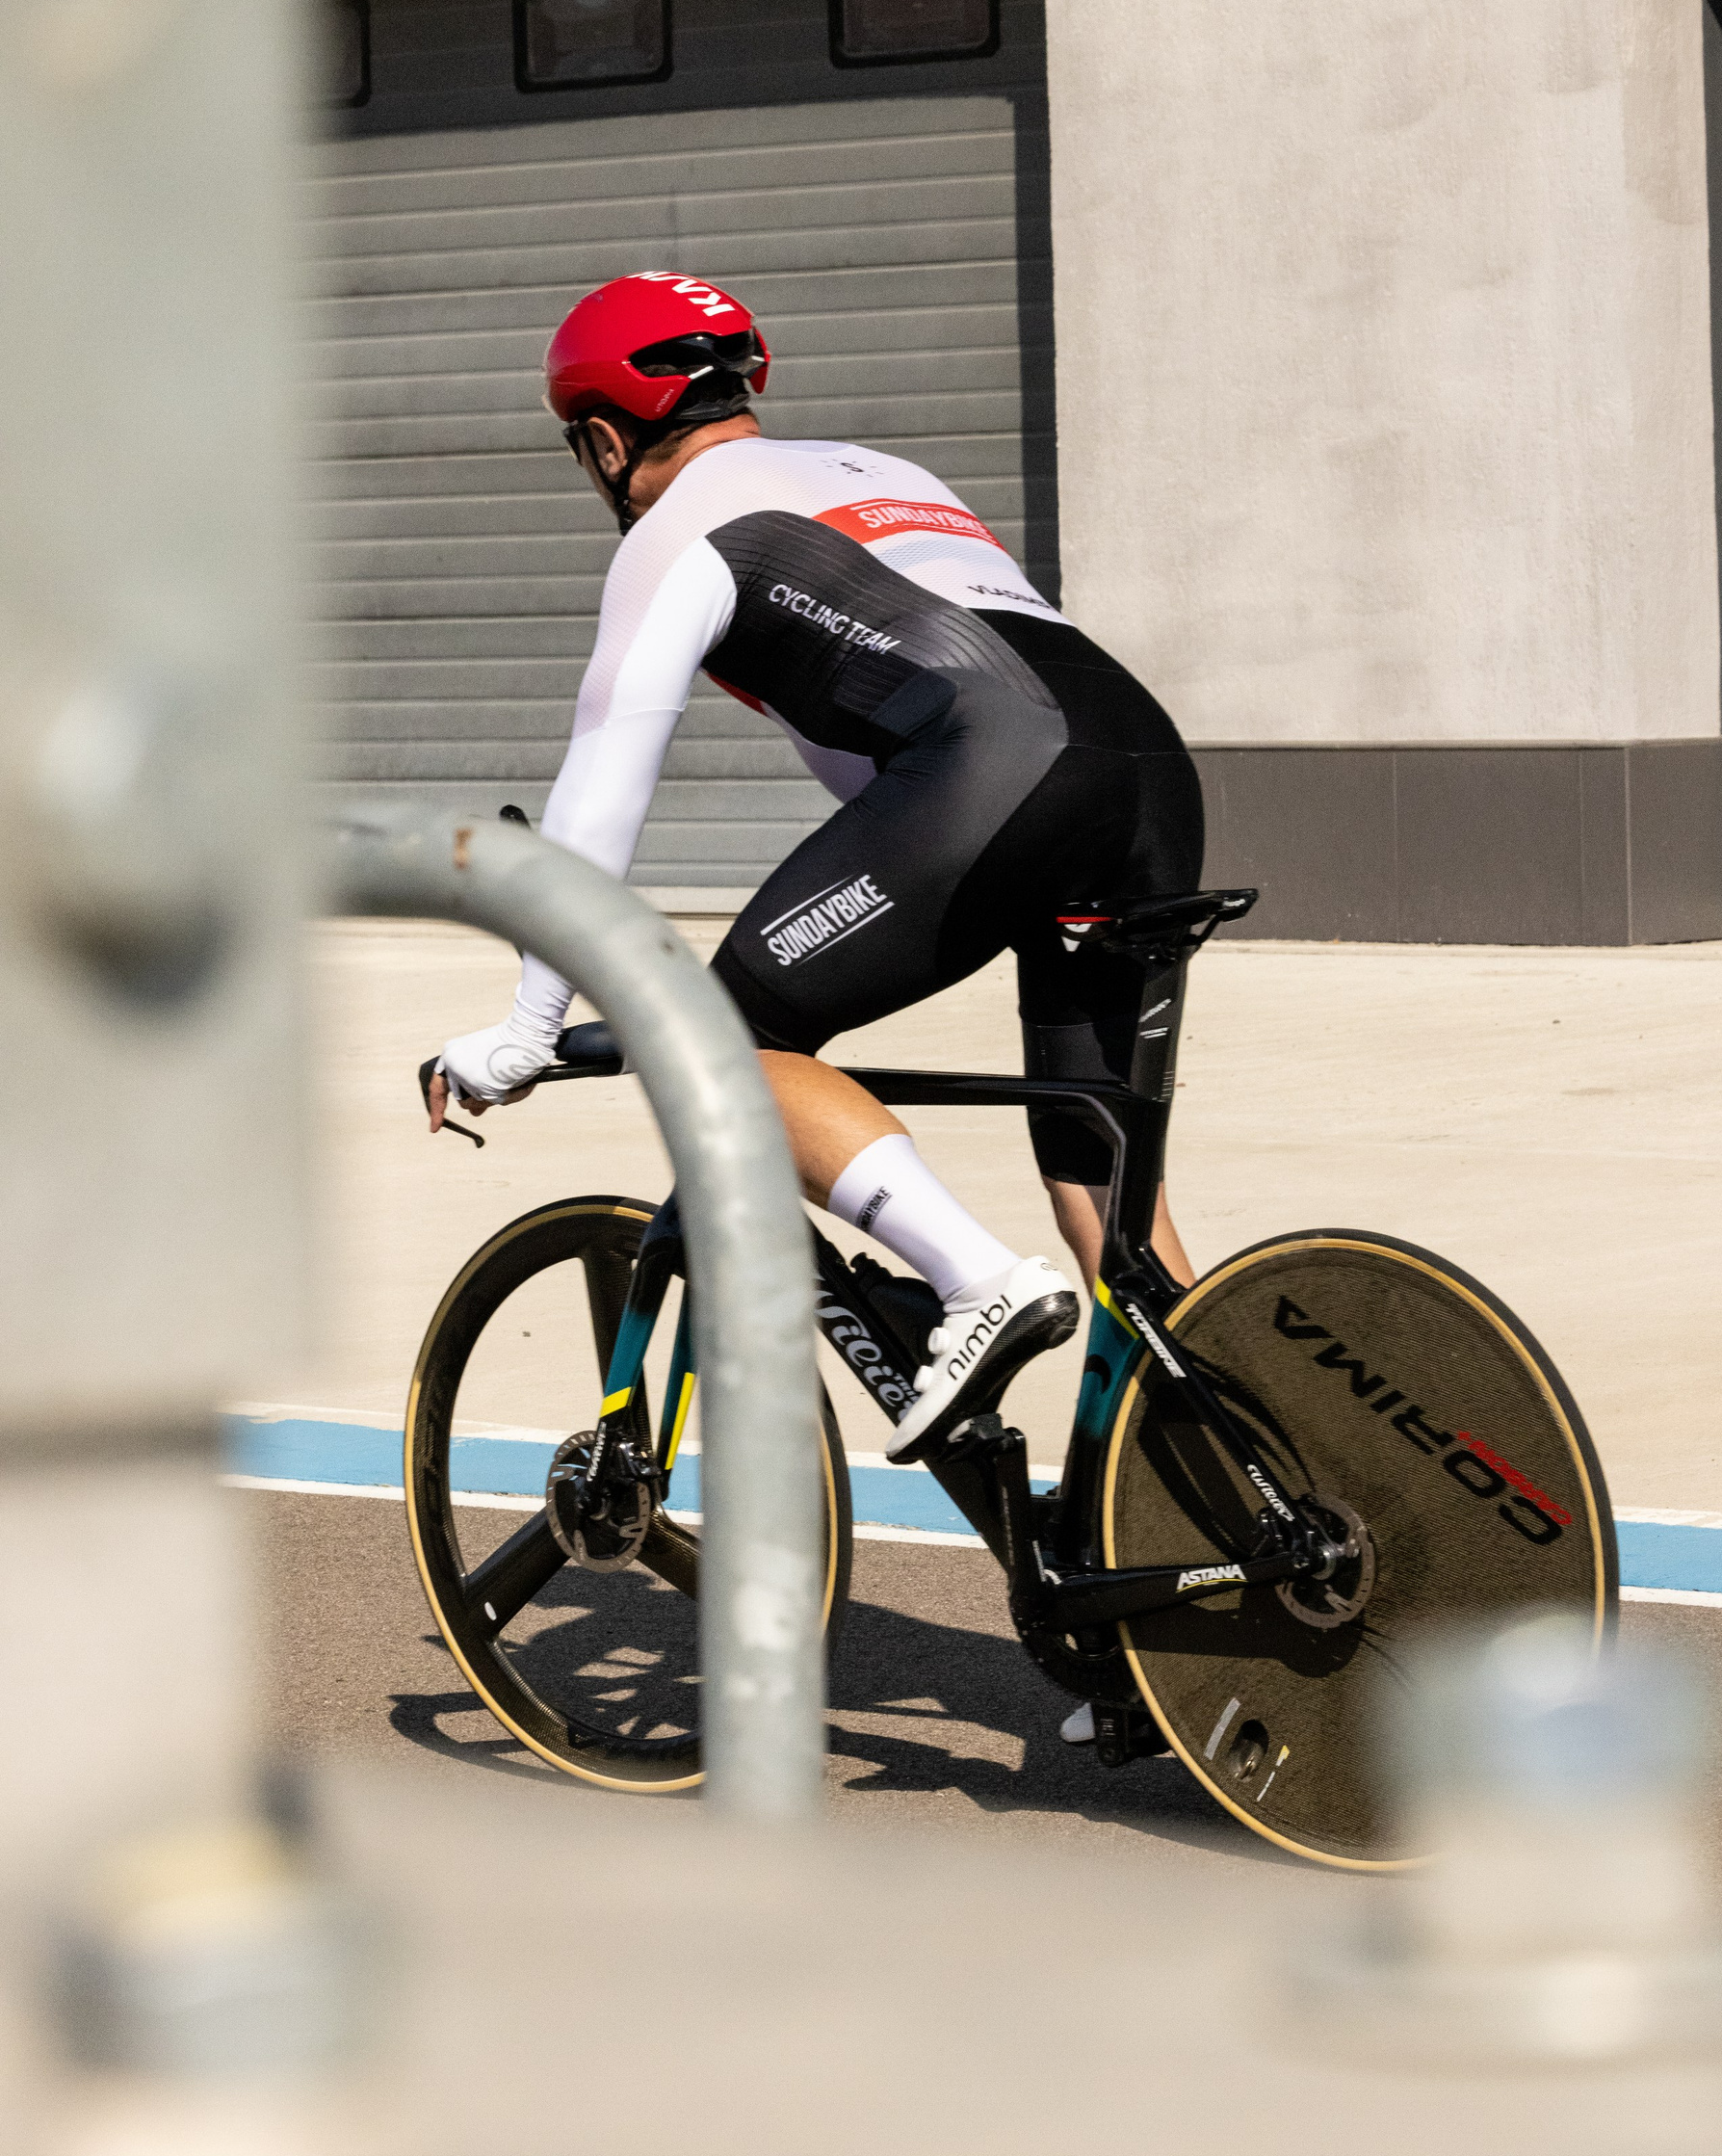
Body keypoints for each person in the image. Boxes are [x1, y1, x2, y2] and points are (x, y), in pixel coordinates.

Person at [427, 270, 1204, 1465]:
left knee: (724, 1040)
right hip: (1145, 767)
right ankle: (1243, 1484)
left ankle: (976, 1279)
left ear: (603, 439)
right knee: (1101, 1178)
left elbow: (601, 793)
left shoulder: (679, 530)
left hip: (1008, 769)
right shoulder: (879, 473)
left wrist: (529, 1027)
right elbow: (881, 748)